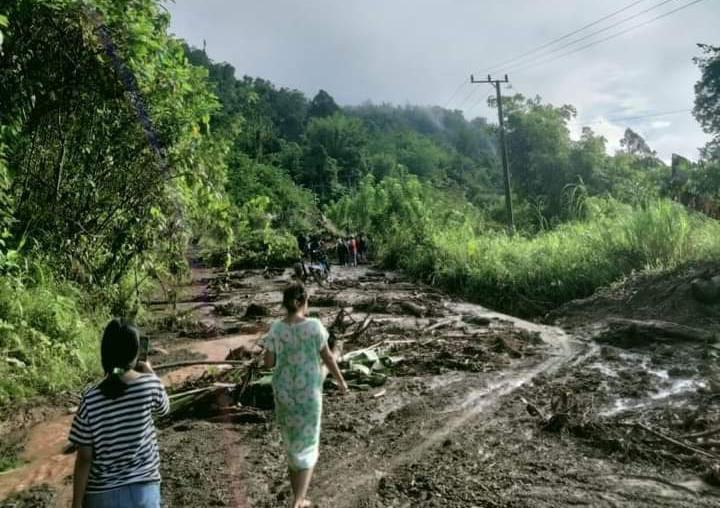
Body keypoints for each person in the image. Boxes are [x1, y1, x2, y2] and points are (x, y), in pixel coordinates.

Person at [262, 284, 348, 508]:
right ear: (302, 302)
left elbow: (269, 363)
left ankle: (296, 496)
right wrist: (341, 382)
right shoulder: (314, 326)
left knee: (291, 444)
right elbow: (328, 358)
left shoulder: (276, 329)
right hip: (308, 393)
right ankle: (299, 500)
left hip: (283, 394)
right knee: (309, 443)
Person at [70, 319, 170, 508]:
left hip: (102, 496)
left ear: (105, 354)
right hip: (144, 492)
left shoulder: (89, 399)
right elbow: (164, 409)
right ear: (135, 353)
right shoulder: (150, 385)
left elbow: (84, 458)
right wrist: (151, 372)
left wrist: (76, 504)